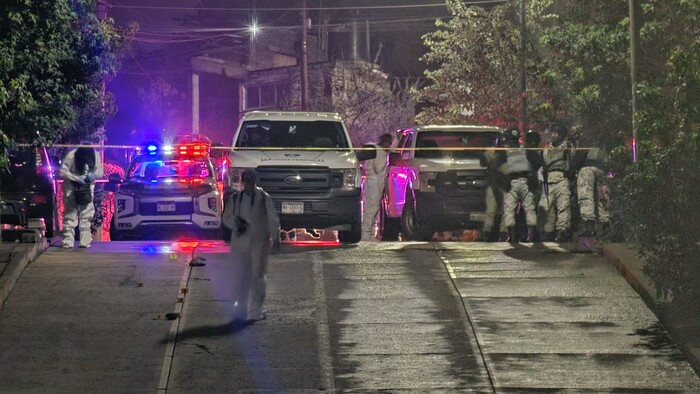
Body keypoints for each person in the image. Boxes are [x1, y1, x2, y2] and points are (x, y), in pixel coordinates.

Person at [222, 170, 280, 326]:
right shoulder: (236, 198)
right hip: (240, 243)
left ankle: (256, 311)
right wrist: (236, 223)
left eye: (250, 180)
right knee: (240, 277)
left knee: (257, 276)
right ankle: (241, 310)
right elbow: (226, 217)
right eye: (246, 180)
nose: (248, 183)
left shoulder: (263, 198)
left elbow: (272, 218)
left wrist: (275, 237)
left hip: (259, 244)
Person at [492, 128, 540, 242]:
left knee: (509, 209)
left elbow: (495, 168)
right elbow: (538, 162)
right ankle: (530, 235)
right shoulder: (526, 149)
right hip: (525, 181)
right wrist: (531, 175)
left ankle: (511, 236)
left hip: (512, 182)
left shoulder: (505, 151)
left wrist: (503, 182)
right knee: (529, 209)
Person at [60, 147, 103, 249]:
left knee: (86, 216)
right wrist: (76, 178)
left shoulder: (95, 155)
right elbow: (63, 171)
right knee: (70, 215)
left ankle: (84, 241)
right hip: (71, 189)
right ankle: (68, 241)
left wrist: (94, 175)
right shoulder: (71, 155)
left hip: (87, 190)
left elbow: (100, 171)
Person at [539, 123, 573, 242]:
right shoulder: (547, 149)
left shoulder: (567, 147)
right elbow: (543, 164)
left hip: (562, 178)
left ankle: (562, 230)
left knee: (563, 205)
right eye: (552, 133)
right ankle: (547, 232)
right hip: (549, 179)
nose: (552, 135)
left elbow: (571, 161)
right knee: (546, 207)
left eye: (555, 133)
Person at [571, 142, 611, 237]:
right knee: (602, 197)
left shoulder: (586, 136)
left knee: (585, 197)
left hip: (587, 168)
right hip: (601, 168)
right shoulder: (604, 134)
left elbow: (580, 155)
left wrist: (571, 171)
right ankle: (606, 226)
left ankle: (589, 228)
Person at [361, 133, 393, 241]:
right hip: (375, 182)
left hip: (371, 181)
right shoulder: (381, 153)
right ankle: (366, 233)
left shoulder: (373, 150)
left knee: (371, 208)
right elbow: (379, 168)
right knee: (372, 208)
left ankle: (368, 233)